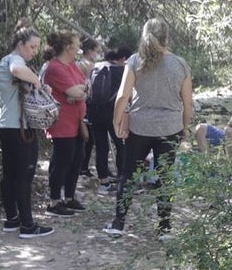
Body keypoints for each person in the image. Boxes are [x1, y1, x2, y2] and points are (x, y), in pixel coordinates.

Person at [105, 18, 194, 237]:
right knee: (165, 177)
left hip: (140, 127)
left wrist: (116, 122)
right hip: (170, 127)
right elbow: (188, 103)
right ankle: (164, 228)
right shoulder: (180, 64)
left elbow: (123, 96)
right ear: (167, 37)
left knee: (128, 175)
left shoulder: (135, 61)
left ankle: (118, 224)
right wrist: (185, 129)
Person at [0, 18, 53, 238]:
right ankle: (27, 225)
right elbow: (18, 70)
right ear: (20, 44)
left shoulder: (10, 60)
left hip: (5, 123)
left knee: (10, 174)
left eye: (37, 47)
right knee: (23, 175)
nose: (34, 52)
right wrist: (37, 80)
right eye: (32, 47)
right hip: (16, 126)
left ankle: (12, 219)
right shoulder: (13, 59)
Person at [42, 30, 89, 216]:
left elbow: (85, 86)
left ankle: (69, 197)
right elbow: (77, 92)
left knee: (77, 159)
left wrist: (79, 92)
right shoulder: (55, 67)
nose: (79, 47)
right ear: (69, 46)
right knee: (62, 161)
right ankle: (54, 201)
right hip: (61, 122)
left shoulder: (72, 65)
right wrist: (77, 93)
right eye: (77, 43)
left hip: (77, 121)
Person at [87, 45, 131, 193]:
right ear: (123, 58)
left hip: (94, 113)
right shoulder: (121, 70)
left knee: (101, 147)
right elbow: (125, 96)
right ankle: (122, 178)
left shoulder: (95, 67)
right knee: (121, 145)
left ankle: (104, 182)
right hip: (112, 114)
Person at [77, 36, 103, 177]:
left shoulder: (84, 63)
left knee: (89, 138)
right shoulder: (86, 64)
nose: (97, 54)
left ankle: (83, 166)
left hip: (88, 102)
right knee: (87, 138)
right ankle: (82, 166)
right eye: (96, 51)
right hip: (87, 103)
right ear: (90, 50)